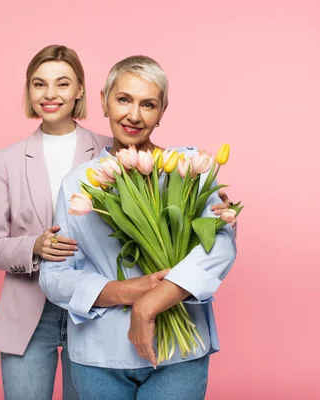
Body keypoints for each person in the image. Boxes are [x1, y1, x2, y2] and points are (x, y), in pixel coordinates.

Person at [39, 55, 238, 400]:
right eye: (123, 99)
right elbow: (55, 277)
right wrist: (128, 291)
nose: (134, 115)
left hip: (178, 353)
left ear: (162, 111)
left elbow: (219, 247)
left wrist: (150, 304)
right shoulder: (78, 184)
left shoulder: (190, 170)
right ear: (103, 100)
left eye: (148, 104)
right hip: (98, 356)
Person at [0, 45, 111, 400]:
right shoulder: (6, 160)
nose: (50, 95)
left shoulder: (108, 151)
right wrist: (33, 246)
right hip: (28, 314)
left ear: (80, 89)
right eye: (40, 84)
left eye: (62, 84)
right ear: (29, 90)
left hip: (94, 309)